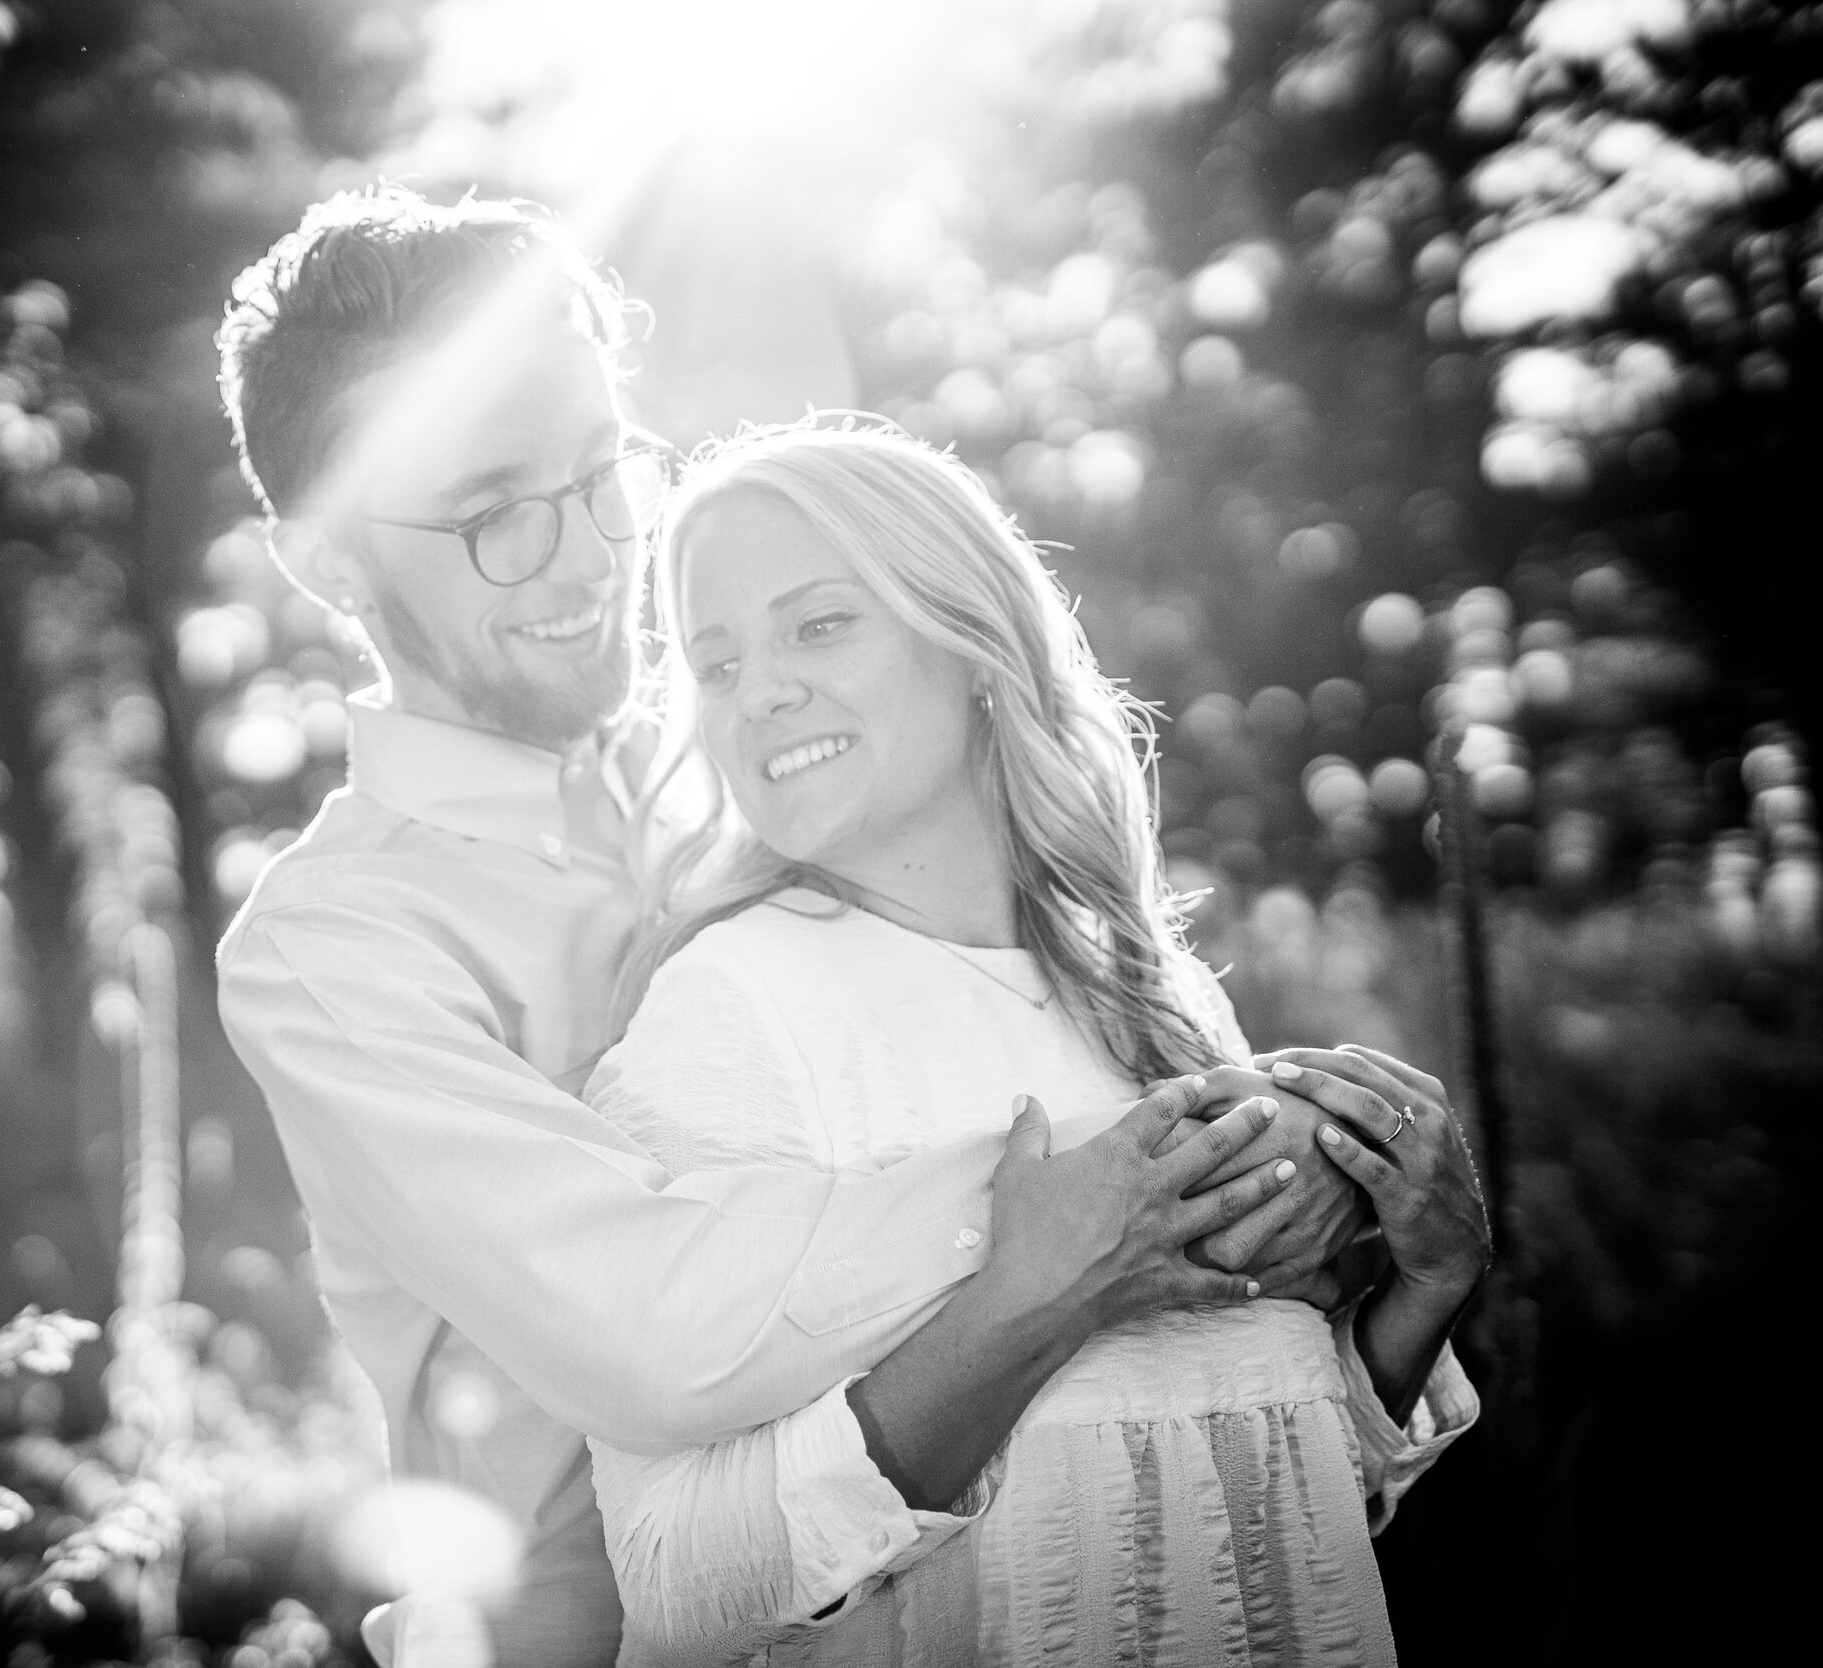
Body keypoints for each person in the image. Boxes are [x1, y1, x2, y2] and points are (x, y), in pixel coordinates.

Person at [211, 186, 1368, 1666]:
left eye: (600, 473)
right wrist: (1115, 1180)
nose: (584, 560)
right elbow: (648, 1326)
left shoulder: (782, 766)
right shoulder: (333, 951)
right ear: (322, 559)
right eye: (497, 514)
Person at [583, 420, 1486, 1663]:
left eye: (819, 623)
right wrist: (1031, 1305)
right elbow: (677, 1584)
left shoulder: (1147, 992)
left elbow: (1260, 1482)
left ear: (970, 643)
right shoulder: (731, 1008)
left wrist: (1425, 1288)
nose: (761, 692)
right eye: (716, 662)